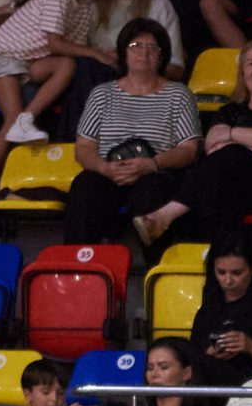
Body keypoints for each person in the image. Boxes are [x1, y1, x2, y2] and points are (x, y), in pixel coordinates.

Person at [151, 39, 252, 255]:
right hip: (236, 188)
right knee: (226, 180)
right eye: (251, 63)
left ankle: (166, 216)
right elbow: (214, 148)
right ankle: (228, 259)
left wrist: (233, 135)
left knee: (229, 159)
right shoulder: (229, 111)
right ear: (243, 73)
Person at [64, 19, 201, 248]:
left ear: (162, 56)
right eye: (136, 46)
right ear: (123, 53)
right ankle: (78, 263)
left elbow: (189, 149)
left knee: (150, 192)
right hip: (109, 171)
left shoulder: (179, 94)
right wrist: (104, 168)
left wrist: (152, 164)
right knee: (85, 186)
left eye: (152, 48)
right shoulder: (101, 94)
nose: (144, 53)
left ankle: (157, 265)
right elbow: (84, 147)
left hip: (157, 171)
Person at [0, 0, 106, 163]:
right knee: (10, 120)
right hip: (5, 55)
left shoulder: (84, 7)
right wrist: (95, 53)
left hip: (30, 60)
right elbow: (55, 44)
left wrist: (96, 52)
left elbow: (72, 49)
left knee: (67, 64)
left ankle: (26, 119)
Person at [188, 234, 252, 392]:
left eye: (237, 273)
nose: (228, 281)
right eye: (221, 272)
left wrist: (251, 346)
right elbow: (193, 355)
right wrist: (210, 353)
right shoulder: (209, 309)